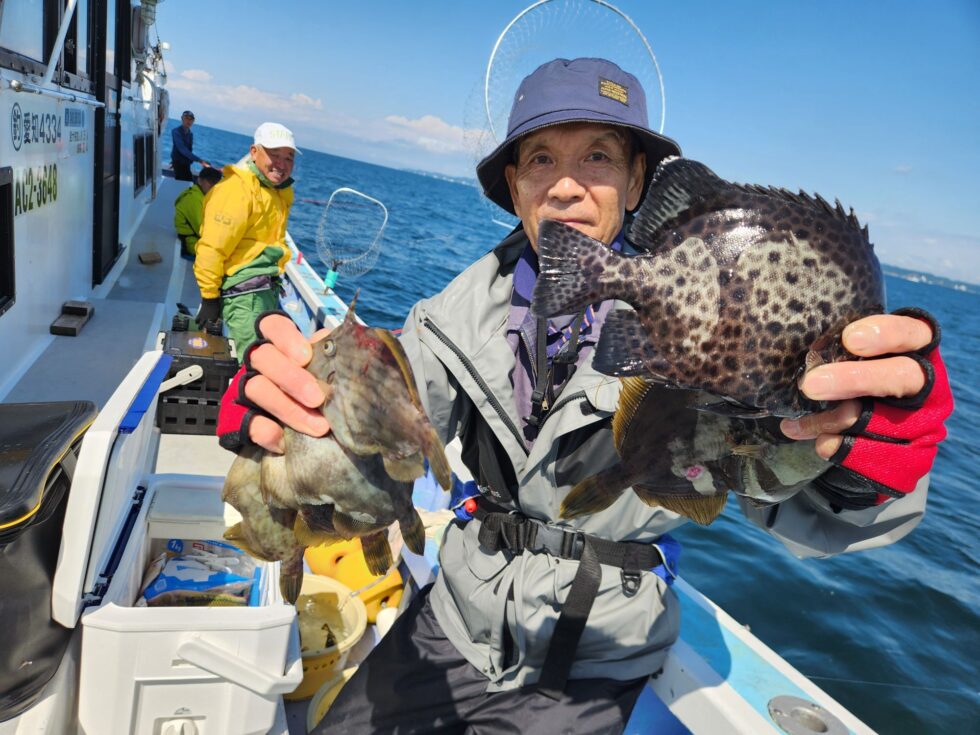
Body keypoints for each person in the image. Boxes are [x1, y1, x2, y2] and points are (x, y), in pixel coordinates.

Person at [216, 59, 953, 733]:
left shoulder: (708, 321)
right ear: (514, 186)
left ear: (636, 184)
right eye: (540, 159)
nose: (565, 184)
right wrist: (295, 406)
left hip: (598, 655)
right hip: (454, 620)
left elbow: (788, 491)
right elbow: (396, 419)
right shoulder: (451, 313)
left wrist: (864, 456)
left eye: (596, 157)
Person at [193, 122, 299, 358]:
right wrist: (209, 296)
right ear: (254, 152)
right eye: (274, 154)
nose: (282, 164)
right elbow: (212, 247)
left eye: (289, 157)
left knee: (268, 355)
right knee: (252, 365)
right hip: (244, 296)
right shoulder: (236, 190)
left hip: (267, 287)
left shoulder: (278, 190)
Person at [173, 167, 223, 259]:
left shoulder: (203, 195)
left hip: (200, 239)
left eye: (216, 184)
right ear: (200, 181)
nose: (213, 187)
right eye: (210, 183)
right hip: (192, 244)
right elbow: (202, 230)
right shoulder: (193, 199)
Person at [171, 110, 211, 181]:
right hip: (178, 163)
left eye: (191, 119)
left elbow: (189, 150)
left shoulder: (190, 134)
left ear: (193, 121)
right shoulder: (176, 132)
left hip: (186, 164)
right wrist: (200, 160)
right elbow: (182, 149)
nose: (188, 121)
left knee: (189, 181)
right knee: (185, 182)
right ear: (182, 119)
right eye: (186, 118)